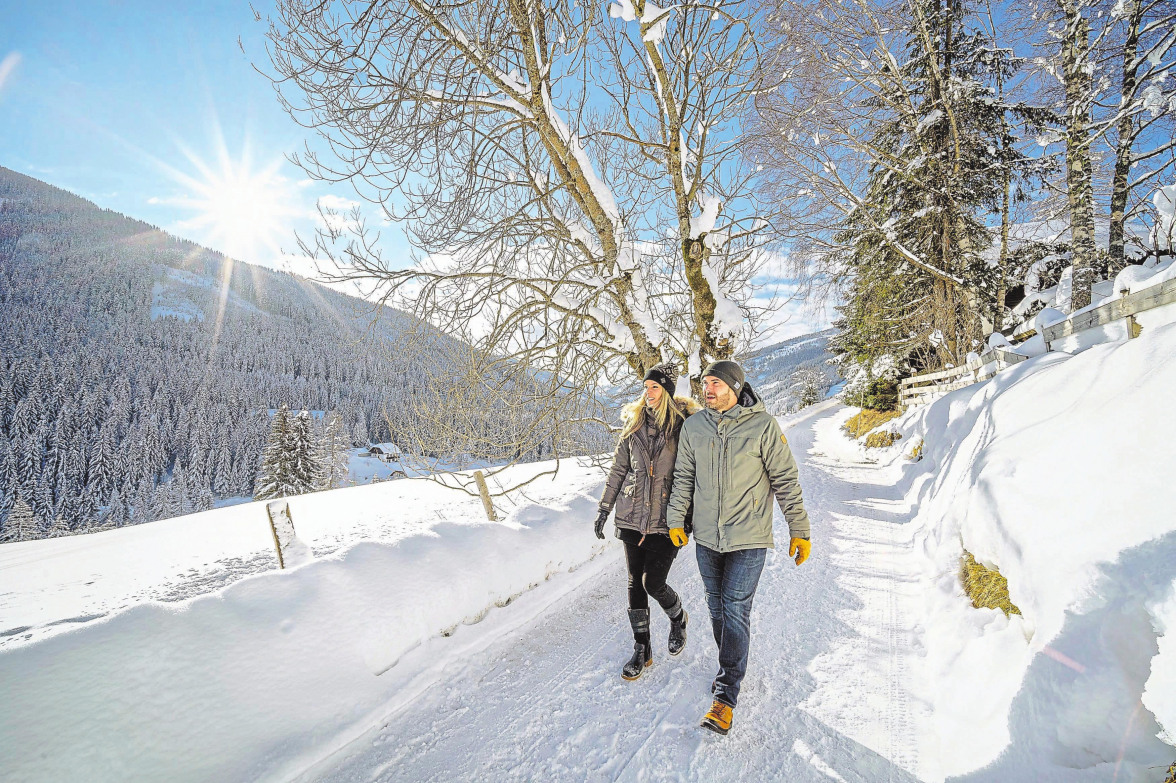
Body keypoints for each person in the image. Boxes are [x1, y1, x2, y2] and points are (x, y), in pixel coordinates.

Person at [665, 359, 812, 735]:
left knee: (734, 608)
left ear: (734, 386)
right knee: (716, 607)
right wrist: (675, 519)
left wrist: (800, 530)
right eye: (704, 384)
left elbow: (785, 480)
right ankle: (730, 663)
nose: (707, 389)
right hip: (707, 538)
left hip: (749, 537)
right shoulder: (695, 427)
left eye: (715, 383)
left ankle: (726, 694)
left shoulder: (763, 426)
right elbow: (684, 475)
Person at [595, 362, 701, 680]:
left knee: (652, 581)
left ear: (667, 391)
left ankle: (678, 616)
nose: (648, 392)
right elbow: (618, 469)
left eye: (655, 386)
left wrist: (690, 517)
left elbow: (694, 475)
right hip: (631, 515)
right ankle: (643, 649)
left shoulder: (684, 426)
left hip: (669, 518)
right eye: (646, 386)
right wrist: (604, 508)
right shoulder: (634, 424)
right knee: (633, 583)